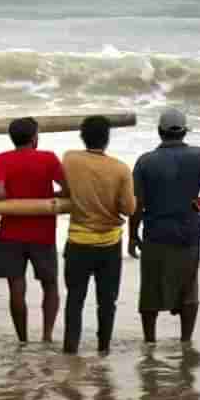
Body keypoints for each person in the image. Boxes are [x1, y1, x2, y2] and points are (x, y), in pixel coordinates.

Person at [129, 108, 200, 343]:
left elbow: (137, 204)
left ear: (159, 132)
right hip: (189, 232)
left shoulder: (145, 162)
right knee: (188, 288)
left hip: (155, 234)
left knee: (151, 289)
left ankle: (150, 341)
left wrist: (132, 235)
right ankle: (185, 340)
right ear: (184, 132)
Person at [60, 115, 135, 354]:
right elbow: (129, 209)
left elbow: (67, 188)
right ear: (107, 139)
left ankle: (70, 349)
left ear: (82, 136)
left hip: (78, 241)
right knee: (107, 302)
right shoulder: (121, 169)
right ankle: (103, 349)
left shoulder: (70, 159)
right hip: (109, 244)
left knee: (75, 300)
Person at [0, 117, 66, 344]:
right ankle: (47, 336)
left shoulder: (0, 159)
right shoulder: (48, 158)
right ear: (34, 138)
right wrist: (52, 197)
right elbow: (67, 187)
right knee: (50, 284)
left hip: (10, 232)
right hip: (43, 232)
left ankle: (22, 339)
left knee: (16, 287)